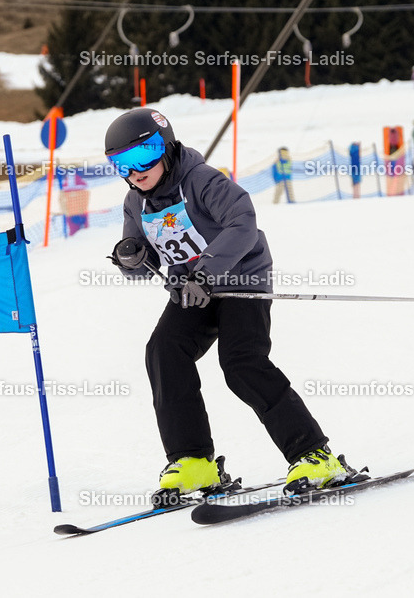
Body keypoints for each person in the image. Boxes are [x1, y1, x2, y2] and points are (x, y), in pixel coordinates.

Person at [104, 108, 360, 502]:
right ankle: (194, 462)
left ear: (166, 147)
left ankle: (314, 455)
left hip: (242, 281)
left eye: (144, 155)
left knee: (242, 363)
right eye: (122, 163)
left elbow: (243, 223)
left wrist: (206, 272)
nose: (136, 171)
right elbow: (143, 265)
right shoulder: (135, 203)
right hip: (193, 291)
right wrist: (130, 258)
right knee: (163, 351)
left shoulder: (202, 180)